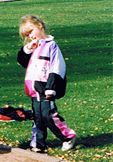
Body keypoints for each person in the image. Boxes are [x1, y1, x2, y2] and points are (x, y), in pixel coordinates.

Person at [17, 15, 77, 153]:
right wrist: (27, 50)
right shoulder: (34, 47)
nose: (30, 36)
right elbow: (22, 62)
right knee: (37, 118)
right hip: (34, 90)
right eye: (27, 35)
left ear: (39, 25)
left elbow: (57, 68)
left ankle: (67, 136)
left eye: (31, 31)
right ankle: (37, 143)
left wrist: (51, 88)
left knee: (48, 115)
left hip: (46, 89)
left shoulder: (51, 46)